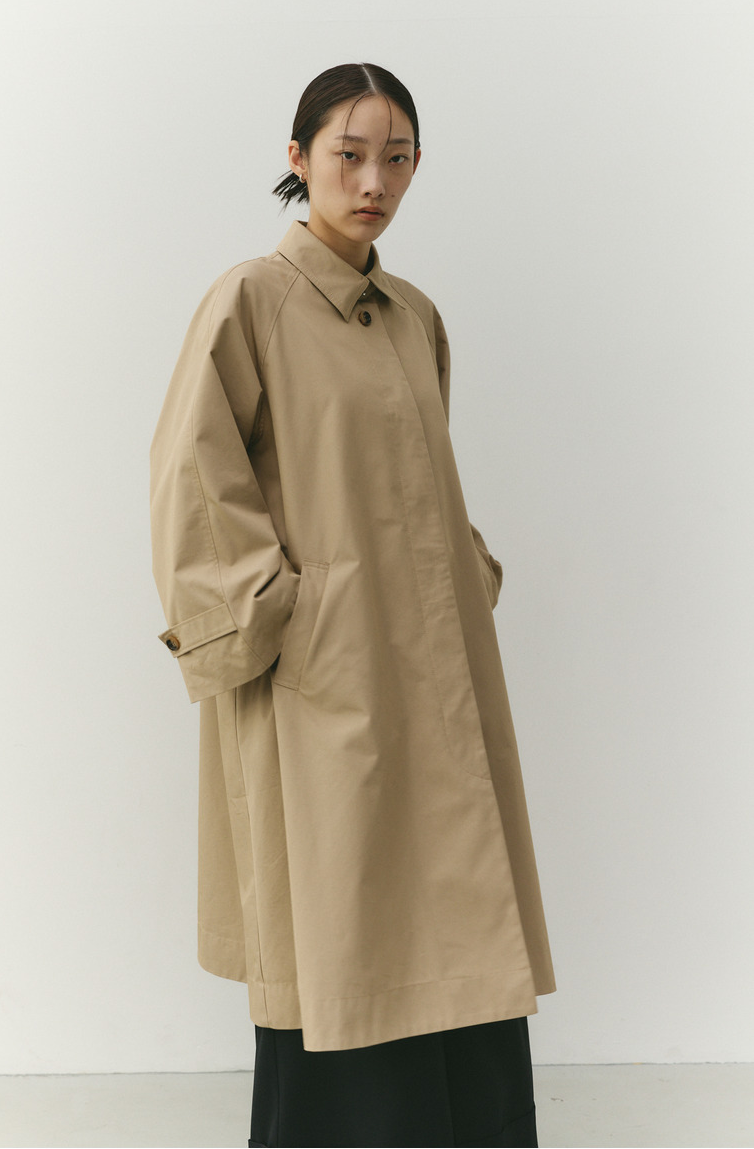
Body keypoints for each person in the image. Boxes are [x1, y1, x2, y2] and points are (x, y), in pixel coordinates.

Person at [150, 62, 556, 1148]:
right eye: (349, 154)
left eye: (397, 158)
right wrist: (277, 612)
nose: (373, 180)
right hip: (322, 677)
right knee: (340, 922)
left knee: (452, 903)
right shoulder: (251, 299)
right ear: (298, 159)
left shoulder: (414, 316)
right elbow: (193, 478)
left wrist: (464, 574)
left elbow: (424, 475)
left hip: (435, 666)